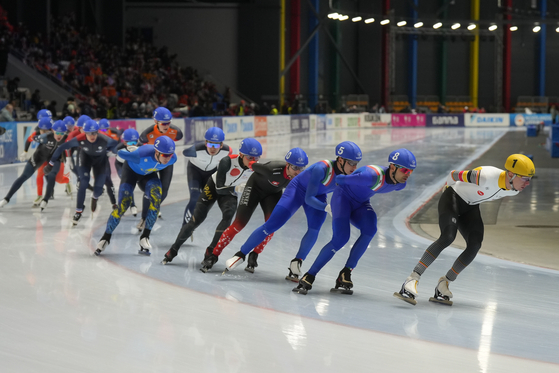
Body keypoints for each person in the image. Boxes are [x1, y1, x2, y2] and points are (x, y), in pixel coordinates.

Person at [394, 154, 535, 306]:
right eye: (525, 178)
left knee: (475, 244)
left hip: (470, 207)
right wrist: (447, 192)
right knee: (448, 236)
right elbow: (453, 175)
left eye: (530, 179)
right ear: (511, 174)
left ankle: (444, 283)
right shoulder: (484, 176)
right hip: (452, 198)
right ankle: (413, 278)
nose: (528, 183)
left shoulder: (514, 190)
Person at [221, 141, 362, 277]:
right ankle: (240, 254)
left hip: (318, 195)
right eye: (351, 163)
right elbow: (308, 198)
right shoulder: (322, 169)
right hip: (298, 191)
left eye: (356, 164)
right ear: (340, 160)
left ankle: (297, 261)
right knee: (271, 225)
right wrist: (327, 207)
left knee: (314, 229)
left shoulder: (348, 175)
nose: (354, 167)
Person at [293, 149, 416, 295]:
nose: (407, 174)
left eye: (411, 171)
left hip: (361, 203)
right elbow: (339, 180)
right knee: (341, 238)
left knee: (370, 229)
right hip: (342, 199)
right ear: (393, 167)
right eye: (404, 170)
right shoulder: (370, 176)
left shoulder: (400, 184)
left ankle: (346, 272)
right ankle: (310, 275)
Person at [195, 148, 309, 272]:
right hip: (254, 189)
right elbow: (251, 164)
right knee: (238, 225)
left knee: (271, 227)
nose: (298, 172)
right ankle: (214, 255)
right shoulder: (272, 168)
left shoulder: (300, 176)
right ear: (287, 165)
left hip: (272, 194)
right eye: (295, 168)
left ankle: (254, 254)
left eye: (301, 168)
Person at [161, 138, 263, 265]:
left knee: (228, 216)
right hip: (214, 187)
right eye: (250, 158)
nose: (253, 161)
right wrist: (238, 188)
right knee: (196, 220)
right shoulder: (227, 161)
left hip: (230, 190)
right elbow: (220, 188)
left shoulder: (257, 168)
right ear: (241, 155)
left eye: (257, 158)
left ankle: (210, 251)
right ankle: (173, 249)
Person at [95, 136, 177, 256]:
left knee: (156, 199)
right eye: (165, 155)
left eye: (170, 155)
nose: (167, 158)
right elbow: (120, 153)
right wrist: (128, 149)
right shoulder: (141, 154)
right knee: (123, 205)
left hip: (148, 175)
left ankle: (145, 237)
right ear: (157, 152)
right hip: (131, 173)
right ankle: (105, 238)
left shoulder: (172, 159)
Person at [44, 120, 118, 225]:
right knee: (83, 182)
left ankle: (95, 197)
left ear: (97, 132)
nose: (92, 136)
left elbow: (118, 146)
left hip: (100, 162)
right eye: (89, 133)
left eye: (94, 133)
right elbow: (61, 147)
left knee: (98, 189)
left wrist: (114, 152)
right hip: (85, 160)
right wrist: (50, 164)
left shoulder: (105, 139)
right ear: (84, 133)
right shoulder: (79, 138)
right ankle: (78, 211)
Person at [0, 118, 67, 210]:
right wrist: (25, 151)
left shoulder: (60, 135)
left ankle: (46, 199)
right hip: (40, 156)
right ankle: (6, 199)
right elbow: (29, 139)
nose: (42, 132)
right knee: (24, 176)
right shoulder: (38, 134)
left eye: (45, 130)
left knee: (53, 176)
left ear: (52, 129)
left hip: (54, 158)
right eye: (41, 130)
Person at [136, 107, 183, 230]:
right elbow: (138, 150)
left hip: (166, 162)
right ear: (155, 121)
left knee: (164, 191)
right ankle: (143, 218)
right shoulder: (147, 134)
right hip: (152, 162)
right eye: (163, 123)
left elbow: (178, 138)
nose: (166, 126)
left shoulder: (176, 132)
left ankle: (153, 208)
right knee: (150, 189)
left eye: (168, 123)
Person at [181, 127, 231, 226]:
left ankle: (193, 224)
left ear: (221, 145)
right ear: (205, 143)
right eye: (210, 144)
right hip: (195, 171)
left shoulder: (227, 151)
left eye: (216, 145)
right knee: (195, 198)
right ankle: (184, 227)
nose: (212, 148)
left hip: (210, 173)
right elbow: (184, 152)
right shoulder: (196, 149)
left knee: (204, 202)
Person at [114, 128, 140, 216]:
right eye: (130, 143)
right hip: (121, 165)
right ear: (124, 142)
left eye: (134, 142)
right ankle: (132, 205)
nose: (133, 145)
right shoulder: (119, 148)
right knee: (126, 182)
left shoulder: (141, 146)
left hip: (133, 166)